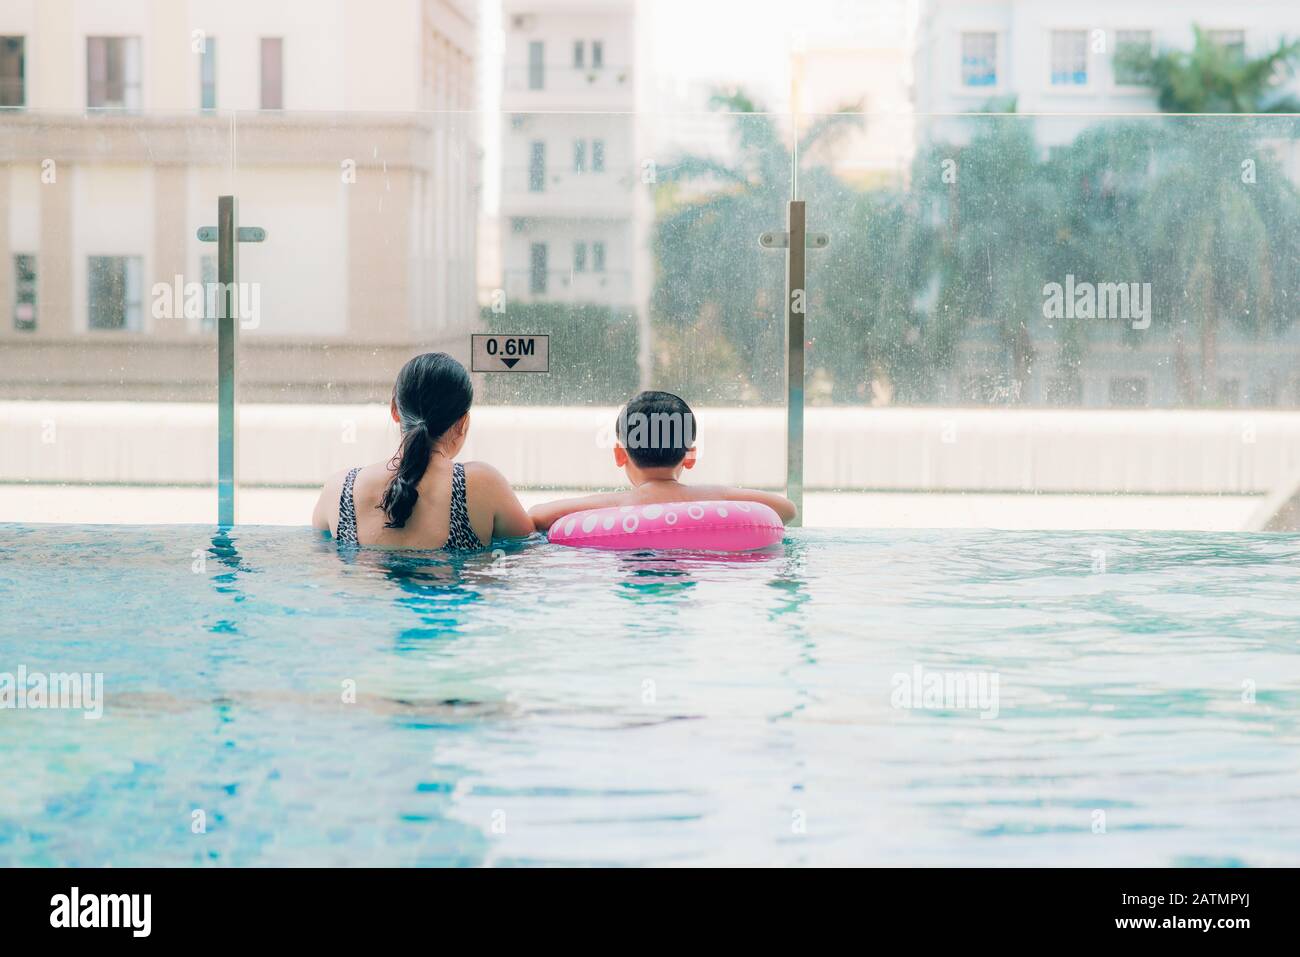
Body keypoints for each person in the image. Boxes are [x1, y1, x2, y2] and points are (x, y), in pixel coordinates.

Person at [313, 352, 533, 549]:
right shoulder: (482, 484)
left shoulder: (339, 489)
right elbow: (527, 543)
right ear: (462, 423)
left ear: (395, 411)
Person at [528, 390, 797, 532]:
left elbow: (536, 517)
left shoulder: (614, 504)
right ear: (690, 456)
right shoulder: (714, 496)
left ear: (620, 455)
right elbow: (786, 510)